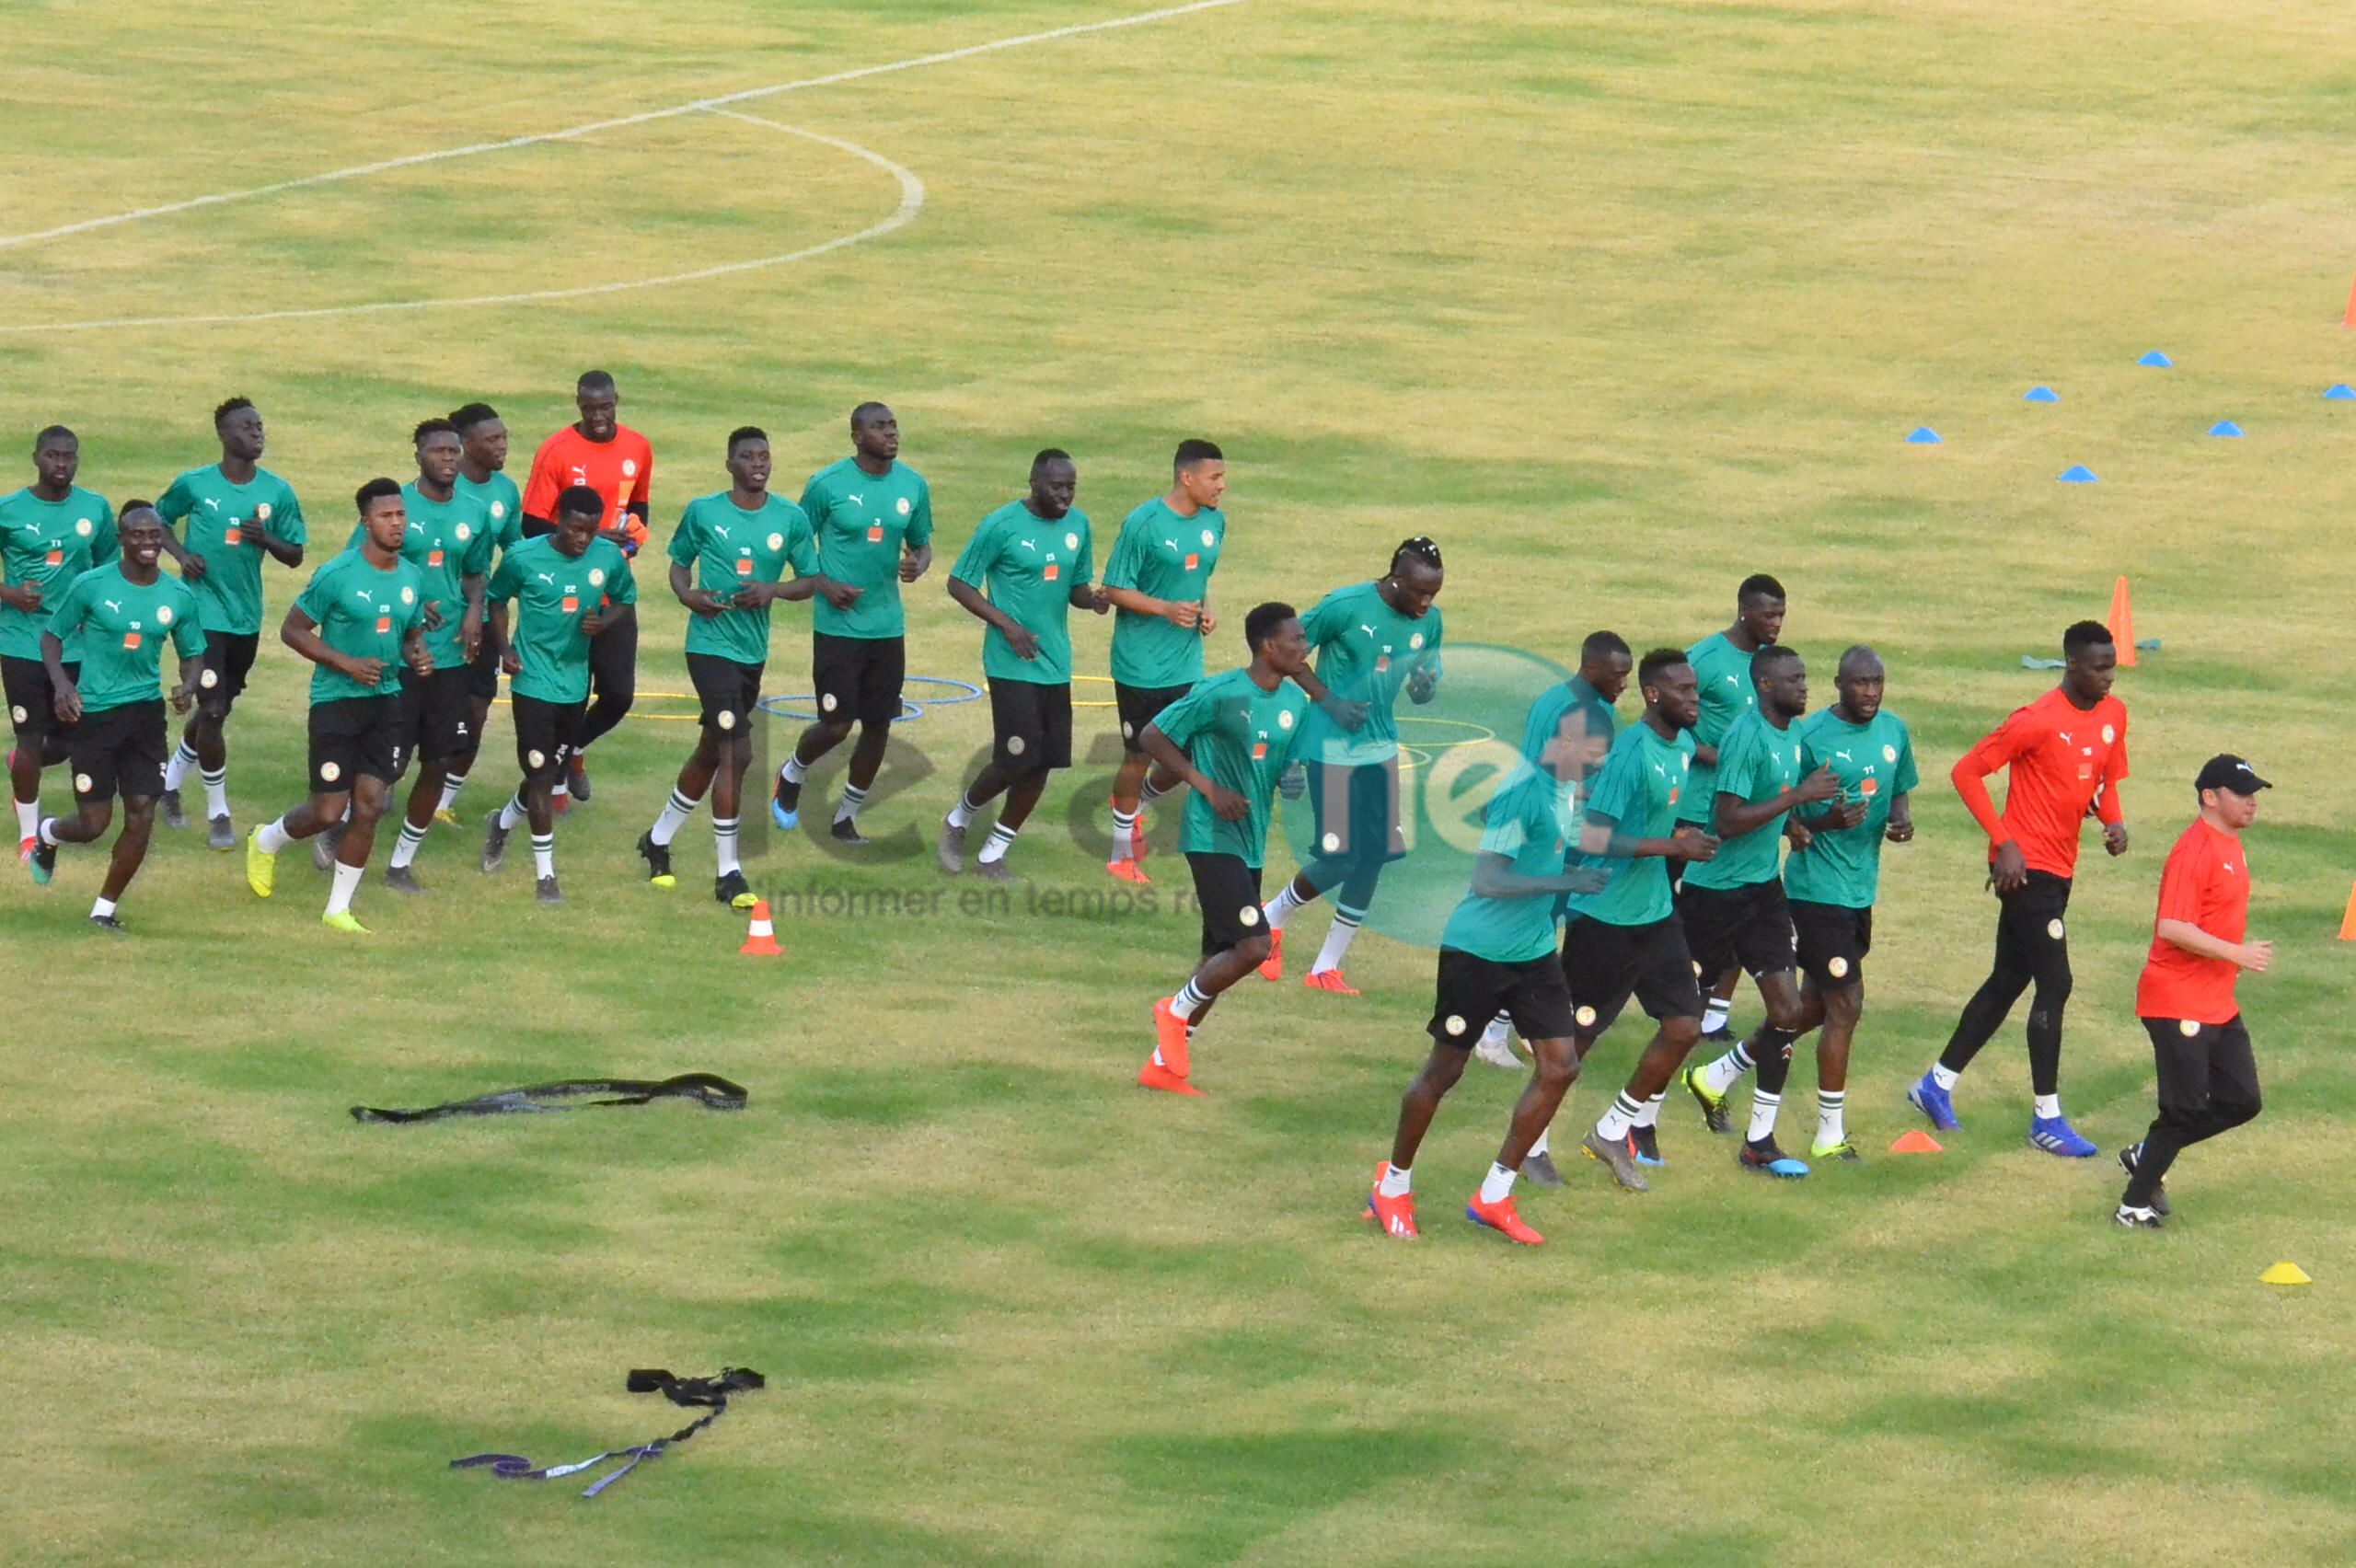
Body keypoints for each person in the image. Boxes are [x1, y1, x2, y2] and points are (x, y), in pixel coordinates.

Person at [1364, 702, 1611, 1246]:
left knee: (1561, 1065)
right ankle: (1393, 1186)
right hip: (1476, 952)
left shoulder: (1561, 786)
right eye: (1593, 755)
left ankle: (1494, 1195)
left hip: (1533, 952)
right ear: (1564, 745)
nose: (1597, 765)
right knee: (1444, 1072)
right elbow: (1488, 881)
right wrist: (1563, 882)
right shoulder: (1526, 790)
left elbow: (1544, 831)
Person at [1909, 620, 2128, 1156]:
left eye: (2112, 666)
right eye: (2098, 668)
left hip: (2061, 870)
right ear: (2071, 665)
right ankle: (2046, 1119)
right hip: (2026, 873)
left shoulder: (2113, 716)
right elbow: (1966, 772)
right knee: (2057, 981)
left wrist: (2112, 821)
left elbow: (2102, 780)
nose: (2109, 677)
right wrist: (2003, 842)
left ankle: (1934, 1085)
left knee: (2008, 979)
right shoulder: (2036, 720)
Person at [1732, 645, 1921, 1161]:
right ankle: (1829, 1134)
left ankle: (1719, 1072)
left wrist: (1900, 819)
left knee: (1809, 1007)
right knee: (1846, 1005)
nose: (1871, 692)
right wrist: (1816, 824)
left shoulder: (1894, 732)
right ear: (1838, 684)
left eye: (1878, 682)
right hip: (1814, 892)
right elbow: (1782, 812)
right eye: (1860, 683)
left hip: (1861, 891)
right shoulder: (1809, 737)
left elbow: (1899, 787)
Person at [639, 428, 833, 907]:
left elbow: (810, 580)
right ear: (730, 464)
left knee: (711, 750)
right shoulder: (705, 511)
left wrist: (772, 591)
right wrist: (689, 596)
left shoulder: (789, 517)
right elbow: (679, 565)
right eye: (747, 457)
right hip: (708, 647)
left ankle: (657, 840)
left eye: (765, 455)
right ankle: (729, 872)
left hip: (751, 652)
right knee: (737, 752)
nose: (758, 464)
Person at [1672, 646, 1842, 1177]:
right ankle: (1636, 1120)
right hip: (1713, 894)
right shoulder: (1746, 737)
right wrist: (1797, 800)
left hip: (1762, 891)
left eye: (1805, 677)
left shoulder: (1791, 734)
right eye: (1794, 679)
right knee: (1679, 1021)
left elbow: (1770, 806)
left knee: (1787, 1012)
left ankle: (1759, 1141)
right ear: (1765, 686)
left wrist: (1807, 821)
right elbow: (1724, 821)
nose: (1804, 687)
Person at [1131, 603, 1313, 1095]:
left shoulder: (1295, 703)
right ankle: (1173, 1010)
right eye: (1296, 640)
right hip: (1211, 838)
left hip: (1250, 842)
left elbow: (1286, 767)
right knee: (1254, 946)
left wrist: (1296, 778)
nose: (1305, 646)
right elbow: (1153, 735)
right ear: (1267, 646)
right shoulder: (1220, 691)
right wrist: (1206, 787)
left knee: (1220, 955)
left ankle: (1160, 1066)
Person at [1562, 649, 1721, 1192]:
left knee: (1684, 1027)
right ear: (1654, 695)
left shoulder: (1679, 745)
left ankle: (1612, 1129)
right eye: (1683, 691)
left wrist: (1682, 841)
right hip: (1604, 918)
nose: (1694, 699)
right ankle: (1529, 1148)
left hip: (1654, 914)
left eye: (1696, 689)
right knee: (1571, 1047)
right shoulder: (1632, 751)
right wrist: (1668, 845)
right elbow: (1590, 836)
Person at [1258, 539, 1447, 995]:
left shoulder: (1430, 621)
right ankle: (1270, 918)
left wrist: (1424, 686)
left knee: (1375, 855)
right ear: (1395, 579)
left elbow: (1426, 684)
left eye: (1434, 594)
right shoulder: (1345, 606)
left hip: (1380, 750)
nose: (1426, 603)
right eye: (1419, 592)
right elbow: (1285, 654)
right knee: (1341, 857)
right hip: (1329, 750)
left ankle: (1325, 967)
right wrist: (1330, 701)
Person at [243, 479, 432, 932]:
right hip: (336, 704)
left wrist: (417, 655)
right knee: (328, 811)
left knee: (368, 806)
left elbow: (410, 636)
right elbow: (292, 630)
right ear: (365, 522)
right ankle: (266, 840)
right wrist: (344, 662)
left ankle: (338, 909)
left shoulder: (411, 577)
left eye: (401, 515)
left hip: (385, 703)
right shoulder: (337, 574)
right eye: (386, 516)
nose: (397, 524)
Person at [26, 503, 207, 930]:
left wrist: (188, 685)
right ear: (122, 540)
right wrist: (62, 686)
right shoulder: (91, 585)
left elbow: (193, 652)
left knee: (142, 811)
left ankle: (104, 909)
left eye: (155, 535)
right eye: (138, 535)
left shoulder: (178, 596)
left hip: (144, 716)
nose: (148, 543)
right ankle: (49, 833)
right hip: (95, 715)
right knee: (93, 823)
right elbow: (52, 637)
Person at [2116, 755, 2271, 1228]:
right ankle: (2132, 1205)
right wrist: (2237, 953)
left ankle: (2146, 1154)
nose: (2251, 802)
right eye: (2241, 793)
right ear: (2210, 797)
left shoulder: (2231, 844)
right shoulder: (2194, 851)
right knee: (2183, 1108)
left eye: (2253, 793)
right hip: (2176, 999)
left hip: (2216, 1002)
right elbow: (2171, 926)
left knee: (2242, 1100)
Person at [1473, 630, 1633, 1083]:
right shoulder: (1584, 713)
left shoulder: (1553, 696)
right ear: (1593, 667)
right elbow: (1561, 772)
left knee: (1539, 922)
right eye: (1618, 675)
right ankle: (1495, 1031)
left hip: (1536, 818)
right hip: (1552, 826)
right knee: (1538, 923)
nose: (1624, 684)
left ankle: (1508, 1025)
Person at [938, 449, 1103, 882]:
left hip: (1055, 663)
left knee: (1042, 761)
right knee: (1016, 756)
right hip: (1010, 661)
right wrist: (1007, 625)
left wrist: (1096, 600)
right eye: (1057, 486)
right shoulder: (1002, 525)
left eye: (1071, 486)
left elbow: (1076, 588)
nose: (1065, 495)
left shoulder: (1078, 526)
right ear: (1034, 483)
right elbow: (959, 583)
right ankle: (958, 818)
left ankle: (994, 852)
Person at [770, 402, 932, 845]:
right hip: (838, 628)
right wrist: (823, 583)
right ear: (857, 436)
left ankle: (845, 818)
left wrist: (917, 564)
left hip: (887, 626)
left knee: (878, 725)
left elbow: (922, 544)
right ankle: (792, 773)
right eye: (880, 428)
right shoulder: (827, 485)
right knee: (836, 725)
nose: (891, 434)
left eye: (894, 426)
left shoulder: (912, 486)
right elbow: (797, 546)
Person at [156, 397, 307, 849]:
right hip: (201, 616)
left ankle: (168, 782)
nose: (258, 433)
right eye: (247, 427)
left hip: (245, 618)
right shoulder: (195, 484)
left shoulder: (276, 492)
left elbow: (295, 555)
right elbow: (156, 520)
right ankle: (218, 812)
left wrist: (268, 539)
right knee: (215, 711)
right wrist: (182, 556)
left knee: (213, 709)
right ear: (224, 435)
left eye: (260, 425)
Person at [479, 487, 636, 903]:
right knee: (542, 775)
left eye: (590, 530)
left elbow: (626, 597)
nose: (581, 539)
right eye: (574, 529)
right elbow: (495, 601)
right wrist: (504, 649)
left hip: (574, 683)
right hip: (532, 681)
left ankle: (502, 823)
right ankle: (545, 877)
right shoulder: (522, 557)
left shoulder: (606, 557)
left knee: (546, 774)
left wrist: (603, 623)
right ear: (557, 519)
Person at [519, 370, 652, 807]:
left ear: (617, 400)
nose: (598, 415)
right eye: (589, 407)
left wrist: (635, 533)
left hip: (613, 592)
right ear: (577, 404)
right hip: (565, 594)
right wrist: (594, 540)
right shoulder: (556, 451)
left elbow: (638, 507)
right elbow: (533, 524)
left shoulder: (637, 448)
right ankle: (555, 782)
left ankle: (575, 749)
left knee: (618, 694)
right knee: (570, 691)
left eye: (605, 406)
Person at [371, 419, 492, 893]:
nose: (448, 459)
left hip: (451, 657)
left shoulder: (474, 511)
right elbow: (369, 565)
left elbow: (476, 572)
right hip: (400, 655)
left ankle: (401, 862)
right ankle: (339, 827)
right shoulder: (395, 507)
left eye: (454, 451)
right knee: (390, 763)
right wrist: (413, 604)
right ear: (418, 454)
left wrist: (474, 613)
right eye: (438, 451)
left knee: (439, 761)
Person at [1101, 439, 1227, 882]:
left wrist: (1203, 610)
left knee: (1189, 755)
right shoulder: (1144, 523)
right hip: (1141, 665)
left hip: (1187, 664)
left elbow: (1198, 578)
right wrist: (1165, 608)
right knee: (1138, 755)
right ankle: (1120, 854)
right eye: (1214, 477)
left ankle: (1136, 806)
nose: (1222, 487)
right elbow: (1114, 588)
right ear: (1186, 477)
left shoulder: (1215, 523)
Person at [1678, 576, 1786, 1045]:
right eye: (1768, 614)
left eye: (1782, 614)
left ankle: (1713, 1016)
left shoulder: (1770, 667)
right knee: (1645, 914)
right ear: (1743, 610)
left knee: (1743, 910)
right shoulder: (1705, 659)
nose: (1777, 623)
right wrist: (1715, 756)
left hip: (1738, 817)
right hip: (1691, 811)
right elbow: (1666, 720)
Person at [2, 426, 116, 860]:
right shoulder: (9, 510)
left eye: (69, 456)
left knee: (73, 737)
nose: (61, 465)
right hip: (21, 643)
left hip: (76, 646)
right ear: (36, 458)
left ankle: (23, 771)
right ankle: (30, 834)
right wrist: (11, 595)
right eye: (52, 456)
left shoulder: (95, 508)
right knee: (30, 738)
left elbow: (109, 566)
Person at [433, 402, 525, 825]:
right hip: (435, 620)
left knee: (475, 711)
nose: (503, 445)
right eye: (493, 439)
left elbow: (515, 550)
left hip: (482, 618)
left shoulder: (505, 491)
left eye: (504, 436)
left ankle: (442, 804)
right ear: (465, 445)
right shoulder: (443, 490)